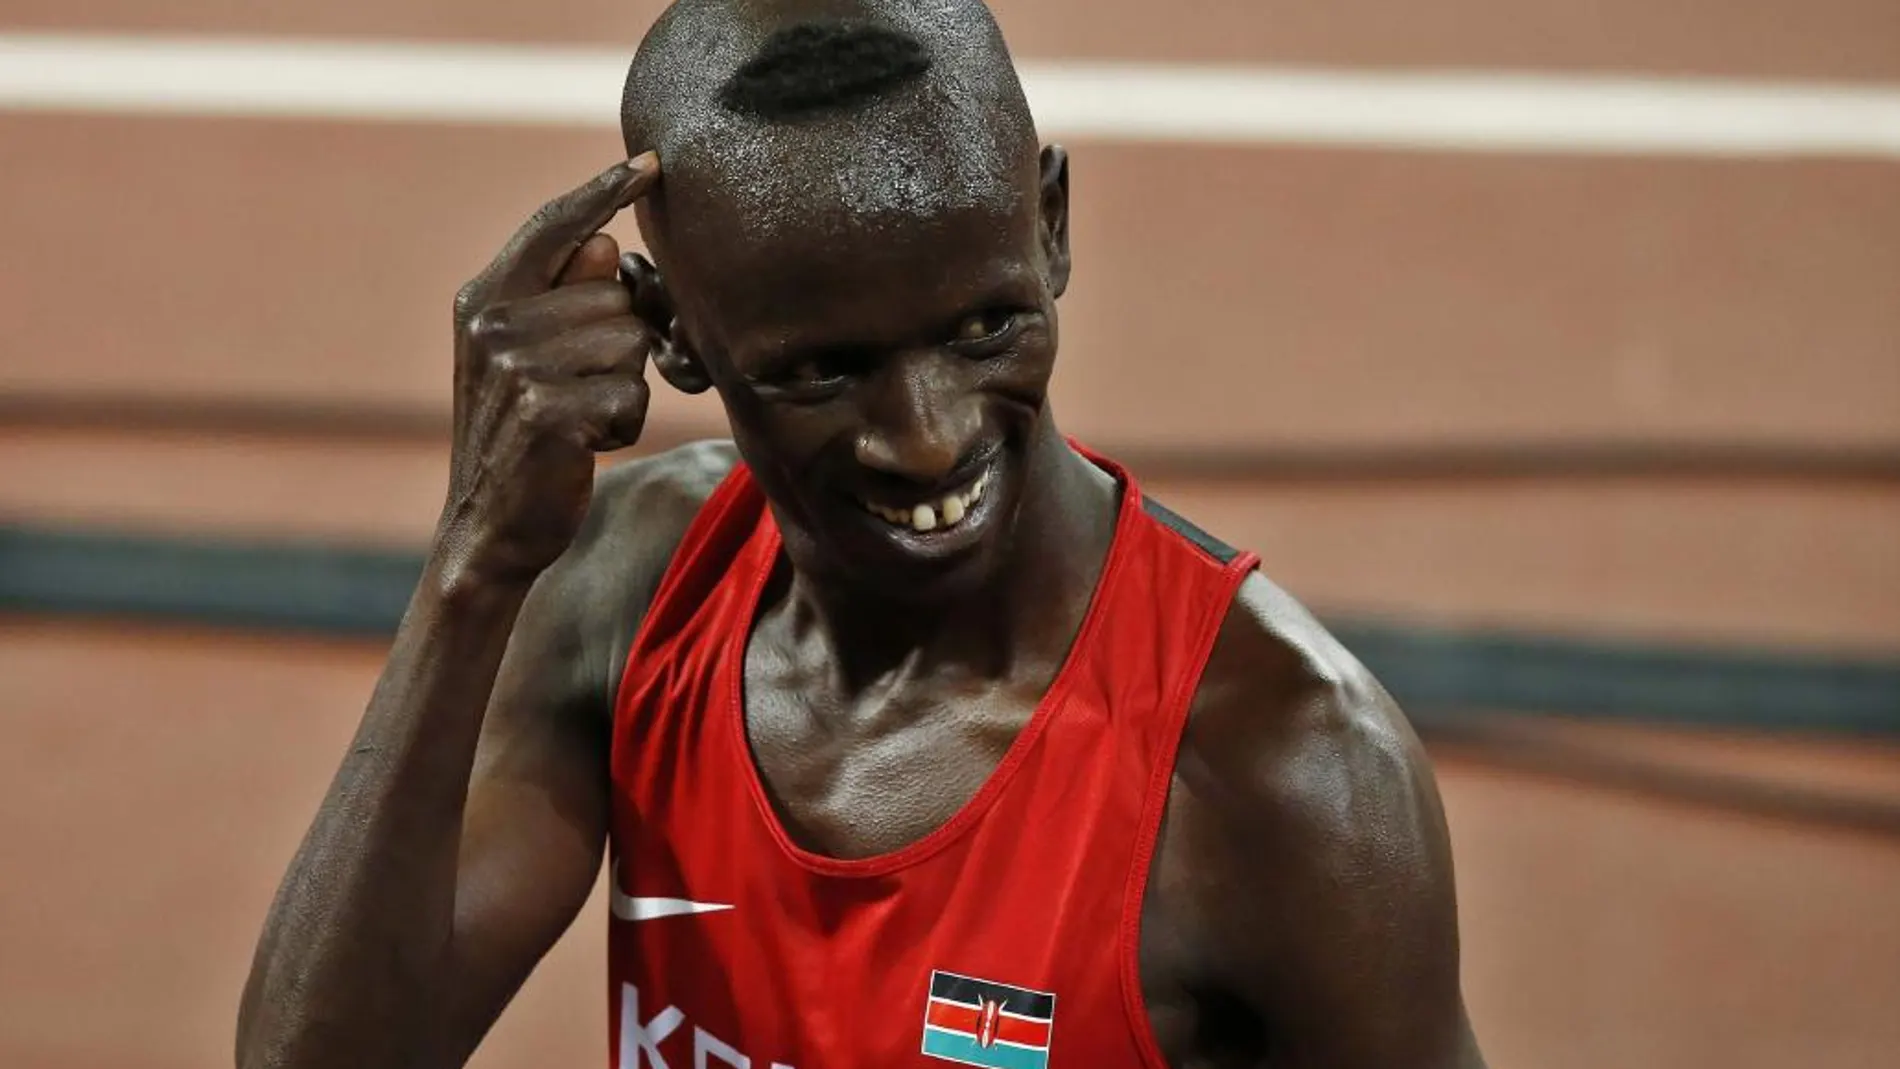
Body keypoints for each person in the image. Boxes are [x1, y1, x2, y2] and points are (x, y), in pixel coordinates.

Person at [237, 2, 1485, 1067]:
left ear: (1049, 227)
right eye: (824, 372)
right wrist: (478, 558)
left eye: (984, 328)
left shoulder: (1285, 767)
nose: (930, 436)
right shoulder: (627, 586)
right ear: (674, 335)